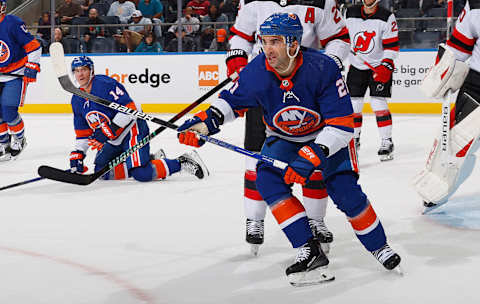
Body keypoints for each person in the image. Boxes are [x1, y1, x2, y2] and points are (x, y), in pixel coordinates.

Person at [176, 13, 401, 286]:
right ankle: (308, 249)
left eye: (275, 42)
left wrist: (315, 152)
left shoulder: (323, 68)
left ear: (293, 44)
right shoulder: (255, 71)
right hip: (283, 138)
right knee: (267, 179)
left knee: (346, 193)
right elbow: (230, 103)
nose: (267, 49)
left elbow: (342, 126)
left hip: (327, 138)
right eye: (264, 41)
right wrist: (204, 124)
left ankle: (379, 246)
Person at [226, 0, 350, 255]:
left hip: (307, 90)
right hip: (264, 88)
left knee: (313, 160)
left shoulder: (321, 2)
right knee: (255, 159)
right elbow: (240, 36)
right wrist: (239, 67)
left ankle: (315, 221)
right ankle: (255, 220)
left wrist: (330, 64)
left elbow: (339, 38)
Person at [68, 56, 208, 182]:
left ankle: (181, 162)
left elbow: (130, 109)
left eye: (84, 69)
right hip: (113, 138)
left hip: (132, 129)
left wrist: (109, 130)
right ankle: (151, 159)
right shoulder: (76, 99)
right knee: (102, 172)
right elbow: (83, 133)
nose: (80, 74)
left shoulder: (104, 84)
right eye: (77, 70)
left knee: (142, 174)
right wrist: (79, 153)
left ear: (91, 71)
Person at [414, 0, 480, 207]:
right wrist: (442, 72)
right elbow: (458, 47)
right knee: (456, 142)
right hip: (477, 85)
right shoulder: (476, 5)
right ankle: (437, 186)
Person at [344, 0, 399, 161]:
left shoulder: (387, 17)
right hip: (356, 66)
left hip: (378, 67)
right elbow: (340, 35)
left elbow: (392, 47)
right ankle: (354, 138)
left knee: (378, 103)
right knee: (354, 105)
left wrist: (386, 65)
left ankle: (386, 141)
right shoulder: (349, 13)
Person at [0, 0, 41, 161]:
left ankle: (19, 138)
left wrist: (32, 65)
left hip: (14, 74)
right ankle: (3, 143)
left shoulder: (12, 23)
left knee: (9, 110)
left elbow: (34, 46)